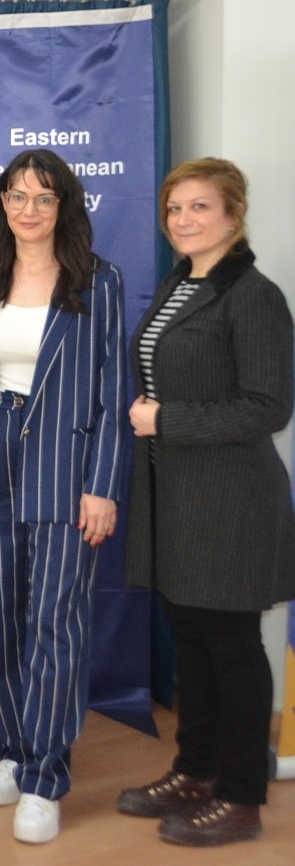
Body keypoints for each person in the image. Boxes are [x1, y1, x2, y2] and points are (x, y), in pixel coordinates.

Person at [115, 158, 295, 847]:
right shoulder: (180, 284)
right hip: (179, 498)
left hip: (231, 502)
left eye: (200, 207)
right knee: (191, 641)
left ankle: (242, 796)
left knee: (232, 647)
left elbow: (268, 407)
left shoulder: (253, 295)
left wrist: (167, 420)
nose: (183, 220)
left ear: (234, 214)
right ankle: (195, 771)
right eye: (174, 208)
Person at [0, 148, 125, 844]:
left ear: (65, 207)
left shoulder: (99, 281)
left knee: (54, 622)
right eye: (17, 196)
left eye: (44, 198)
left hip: (65, 465)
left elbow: (114, 393)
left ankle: (46, 777)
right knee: (1, 615)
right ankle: (13, 747)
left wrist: (102, 486)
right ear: (2, 202)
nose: (28, 210)